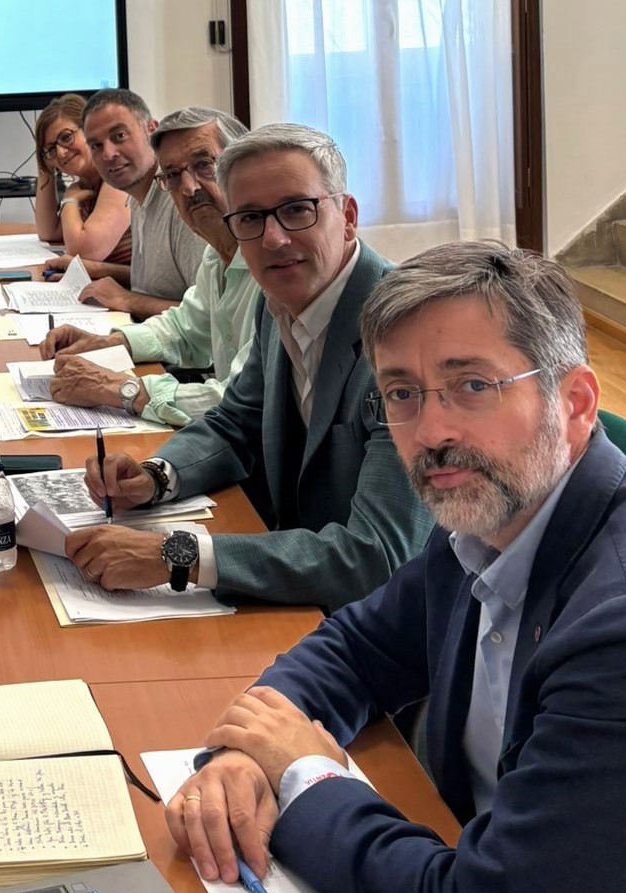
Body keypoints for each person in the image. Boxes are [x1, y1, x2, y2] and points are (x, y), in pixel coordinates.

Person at [165, 240, 626, 893]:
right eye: (402, 394)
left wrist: (300, 774)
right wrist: (247, 755)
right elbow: (357, 646)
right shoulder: (488, 516)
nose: (432, 432)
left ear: (575, 402)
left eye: (473, 386)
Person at [69, 124, 431, 611]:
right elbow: (237, 421)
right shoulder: (277, 299)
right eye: (250, 218)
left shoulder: (409, 338)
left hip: (391, 624)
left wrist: (178, 555)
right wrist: (157, 475)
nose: (274, 239)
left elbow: (377, 555)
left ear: (347, 217)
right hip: (304, 594)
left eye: (297, 210)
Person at [38, 106, 260, 428]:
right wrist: (108, 341)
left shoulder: (274, 262)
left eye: (204, 165)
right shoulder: (217, 254)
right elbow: (184, 328)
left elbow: (243, 401)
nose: (189, 188)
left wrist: (118, 388)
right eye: (173, 175)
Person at [56, 88, 208, 320]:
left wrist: (127, 299)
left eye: (119, 136)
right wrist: (95, 270)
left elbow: (207, 316)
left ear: (151, 130)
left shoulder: (182, 201)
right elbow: (155, 282)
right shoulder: (137, 195)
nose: (108, 154)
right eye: (96, 145)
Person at [31, 93, 132, 264]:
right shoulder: (84, 187)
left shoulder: (117, 174)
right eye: (52, 149)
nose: (61, 152)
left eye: (66, 137)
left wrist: (69, 201)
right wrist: (45, 168)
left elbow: (85, 253)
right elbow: (49, 232)